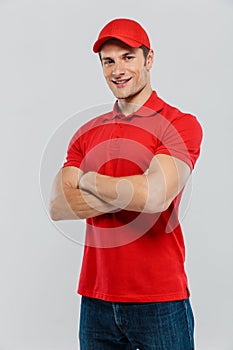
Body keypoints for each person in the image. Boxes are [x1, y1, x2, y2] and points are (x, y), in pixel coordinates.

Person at [50, 18, 203, 350]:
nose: (117, 69)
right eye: (109, 61)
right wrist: (131, 191)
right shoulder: (87, 133)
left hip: (160, 300)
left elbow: (155, 196)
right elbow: (58, 206)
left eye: (128, 57)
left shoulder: (179, 124)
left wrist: (88, 180)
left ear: (148, 60)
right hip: (96, 301)